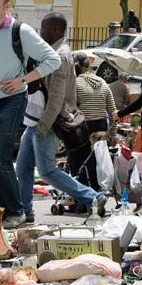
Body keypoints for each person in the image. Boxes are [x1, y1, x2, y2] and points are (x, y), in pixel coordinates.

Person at [0, 0, 60, 229]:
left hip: (13, 100)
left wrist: (23, 79)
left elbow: (52, 60)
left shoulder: (20, 31)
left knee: (1, 157)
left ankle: (17, 210)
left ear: (7, 6)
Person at [16, 14, 105, 223]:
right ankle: (25, 211)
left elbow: (57, 97)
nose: (41, 33)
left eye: (44, 30)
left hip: (47, 122)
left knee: (46, 171)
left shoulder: (61, 56)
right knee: (23, 168)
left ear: (56, 30)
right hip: (37, 121)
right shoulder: (52, 52)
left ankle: (94, 197)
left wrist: (44, 126)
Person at [71, 52, 117, 189]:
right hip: (101, 127)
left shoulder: (75, 83)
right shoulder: (103, 83)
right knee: (96, 163)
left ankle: (79, 200)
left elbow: (70, 108)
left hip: (82, 127)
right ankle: (96, 194)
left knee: (77, 163)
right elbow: (113, 112)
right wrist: (112, 134)